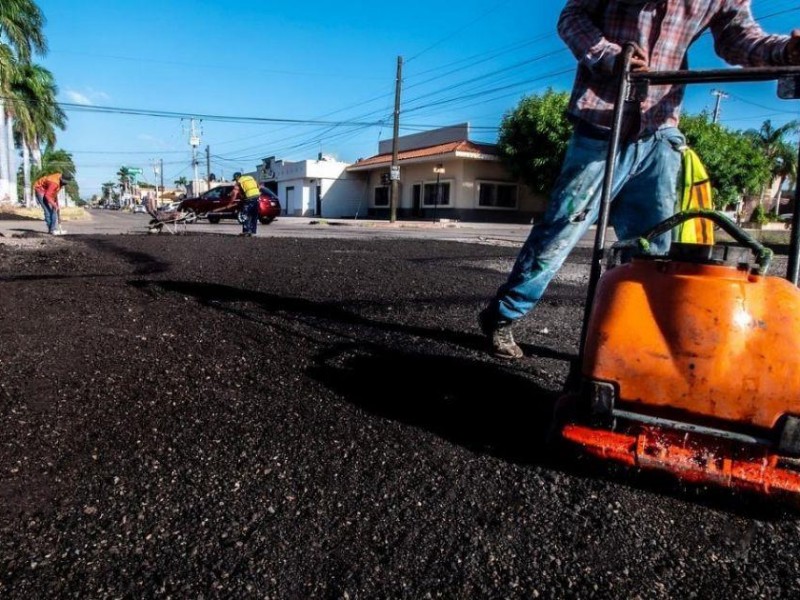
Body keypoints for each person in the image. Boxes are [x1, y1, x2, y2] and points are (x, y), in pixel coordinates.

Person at [479, 0, 800, 359]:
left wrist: (785, 51)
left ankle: (637, 343)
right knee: (560, 231)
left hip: (660, 126)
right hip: (601, 122)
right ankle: (503, 315)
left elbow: (738, 38)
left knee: (654, 248)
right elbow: (573, 16)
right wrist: (607, 56)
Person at [231, 172, 261, 237]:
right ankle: (252, 231)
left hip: (249, 198)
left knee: (245, 214)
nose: (235, 181)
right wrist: (256, 192)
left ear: (237, 177)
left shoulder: (239, 181)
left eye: (235, 179)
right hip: (257, 196)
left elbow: (235, 192)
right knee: (254, 214)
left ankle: (246, 231)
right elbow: (258, 186)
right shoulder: (250, 177)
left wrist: (231, 201)